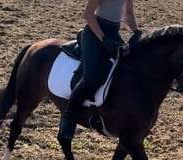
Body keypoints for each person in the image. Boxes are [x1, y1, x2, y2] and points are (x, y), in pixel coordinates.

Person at [59, 0, 142, 140]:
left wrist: (137, 32)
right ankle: (68, 117)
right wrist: (103, 39)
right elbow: (88, 14)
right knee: (90, 79)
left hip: (113, 33)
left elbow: (128, 14)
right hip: (94, 32)